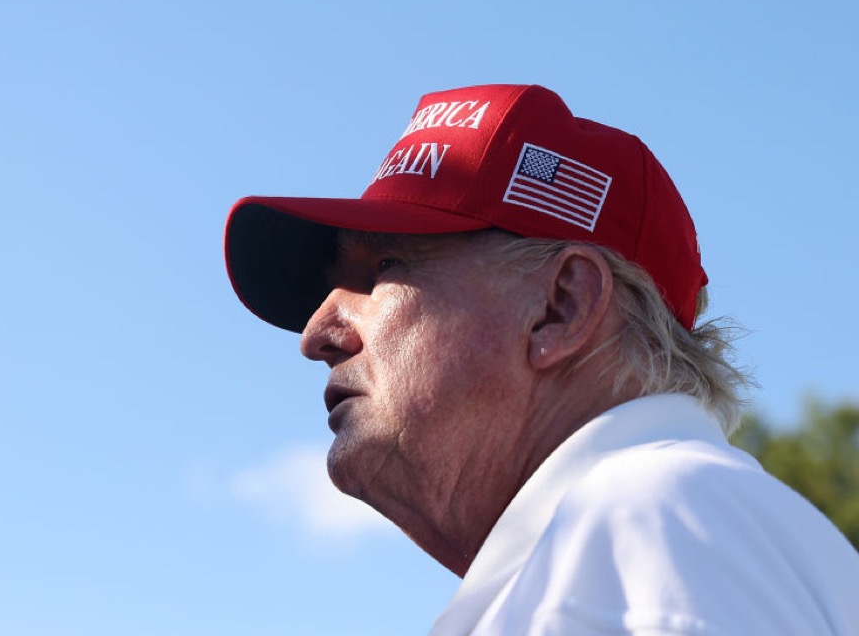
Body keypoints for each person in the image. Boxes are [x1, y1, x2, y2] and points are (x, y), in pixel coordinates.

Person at [223, 84, 859, 635]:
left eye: (385, 267)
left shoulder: (640, 531)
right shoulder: (645, 541)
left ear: (560, 307)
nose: (316, 333)